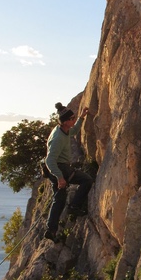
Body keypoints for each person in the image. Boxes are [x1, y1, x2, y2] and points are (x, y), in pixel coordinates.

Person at [44, 102, 93, 242]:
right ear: (65, 122)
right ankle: (74, 206)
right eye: (72, 118)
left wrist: (81, 117)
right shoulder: (58, 138)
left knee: (59, 200)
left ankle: (51, 230)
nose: (74, 119)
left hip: (57, 169)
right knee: (87, 180)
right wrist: (60, 178)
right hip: (59, 168)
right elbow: (49, 160)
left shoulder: (63, 130)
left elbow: (74, 131)